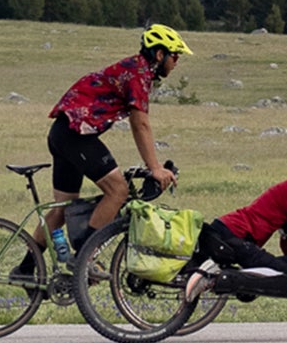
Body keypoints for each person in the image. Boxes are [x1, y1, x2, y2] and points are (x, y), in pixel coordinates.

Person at [36, 24, 186, 266]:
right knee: (118, 191)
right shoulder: (139, 74)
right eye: (175, 56)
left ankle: (23, 268)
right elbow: (141, 125)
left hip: (63, 132)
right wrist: (155, 167)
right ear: (160, 54)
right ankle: (84, 259)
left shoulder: (134, 68)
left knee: (62, 210)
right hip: (76, 135)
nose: (176, 62)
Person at [185, 138, 287, 299]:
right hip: (234, 236)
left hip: (229, 232)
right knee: (284, 278)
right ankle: (210, 279)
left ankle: (214, 277)